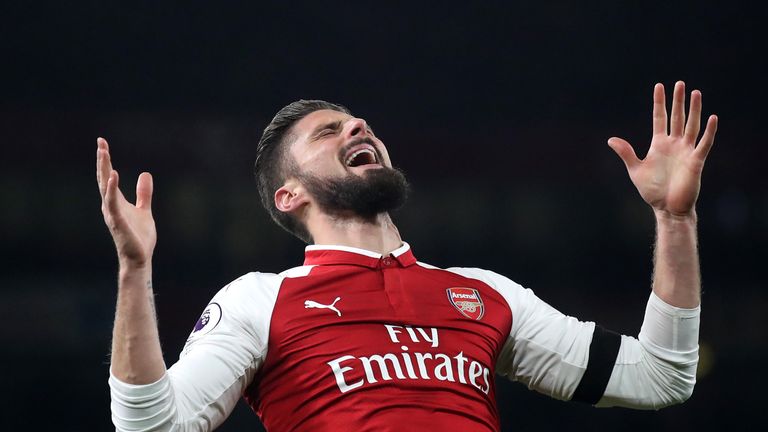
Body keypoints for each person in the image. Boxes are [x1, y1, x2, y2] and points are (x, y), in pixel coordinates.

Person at [99, 81, 718, 432]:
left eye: (358, 122)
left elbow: (662, 375)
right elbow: (150, 427)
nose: (358, 126)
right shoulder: (258, 302)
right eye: (327, 132)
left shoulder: (485, 294)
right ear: (289, 196)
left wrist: (674, 219)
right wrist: (134, 273)